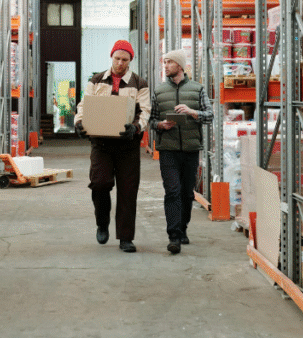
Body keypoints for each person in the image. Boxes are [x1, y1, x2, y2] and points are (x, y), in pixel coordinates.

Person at [74, 40, 151, 253]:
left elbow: (145, 111)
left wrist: (136, 127)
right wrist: (79, 123)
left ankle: (125, 238)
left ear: (130, 60)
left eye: (124, 60)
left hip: (127, 145)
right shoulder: (97, 80)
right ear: (111, 57)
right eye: (117, 58)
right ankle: (102, 222)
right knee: (99, 184)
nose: (120, 63)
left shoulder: (139, 83)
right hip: (101, 143)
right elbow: (84, 104)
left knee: (128, 191)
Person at [148, 50, 214, 255]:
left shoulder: (197, 89)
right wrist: (160, 125)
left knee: (186, 193)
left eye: (169, 62)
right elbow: (151, 120)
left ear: (180, 65)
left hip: (190, 149)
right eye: (165, 62)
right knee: (172, 191)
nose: (166, 65)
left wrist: (192, 112)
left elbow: (210, 116)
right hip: (167, 149)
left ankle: (183, 227)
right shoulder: (159, 91)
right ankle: (174, 236)